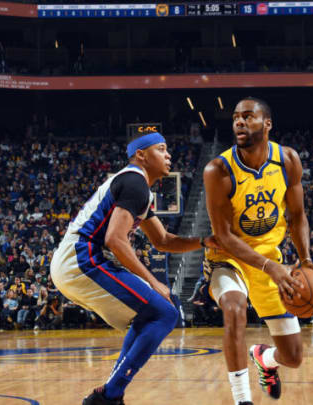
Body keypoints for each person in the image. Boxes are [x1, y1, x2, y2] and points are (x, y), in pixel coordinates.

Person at [50, 131, 218, 405]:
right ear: (141, 155)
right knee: (165, 311)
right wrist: (153, 281)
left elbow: (163, 241)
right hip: (81, 258)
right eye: (162, 149)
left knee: (151, 315)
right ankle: (108, 396)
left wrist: (204, 241)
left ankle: (110, 394)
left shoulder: (139, 189)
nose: (169, 155)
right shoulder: (134, 182)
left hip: (75, 261)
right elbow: (115, 239)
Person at [203, 97, 313, 405]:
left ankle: (265, 358)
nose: (239, 122)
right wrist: (271, 268)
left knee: (294, 357)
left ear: (267, 123)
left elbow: (297, 216)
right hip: (229, 259)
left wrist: (307, 261)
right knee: (234, 309)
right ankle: (242, 400)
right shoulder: (218, 170)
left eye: (248, 116)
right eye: (235, 118)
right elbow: (223, 235)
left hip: (270, 261)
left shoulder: (287, 160)